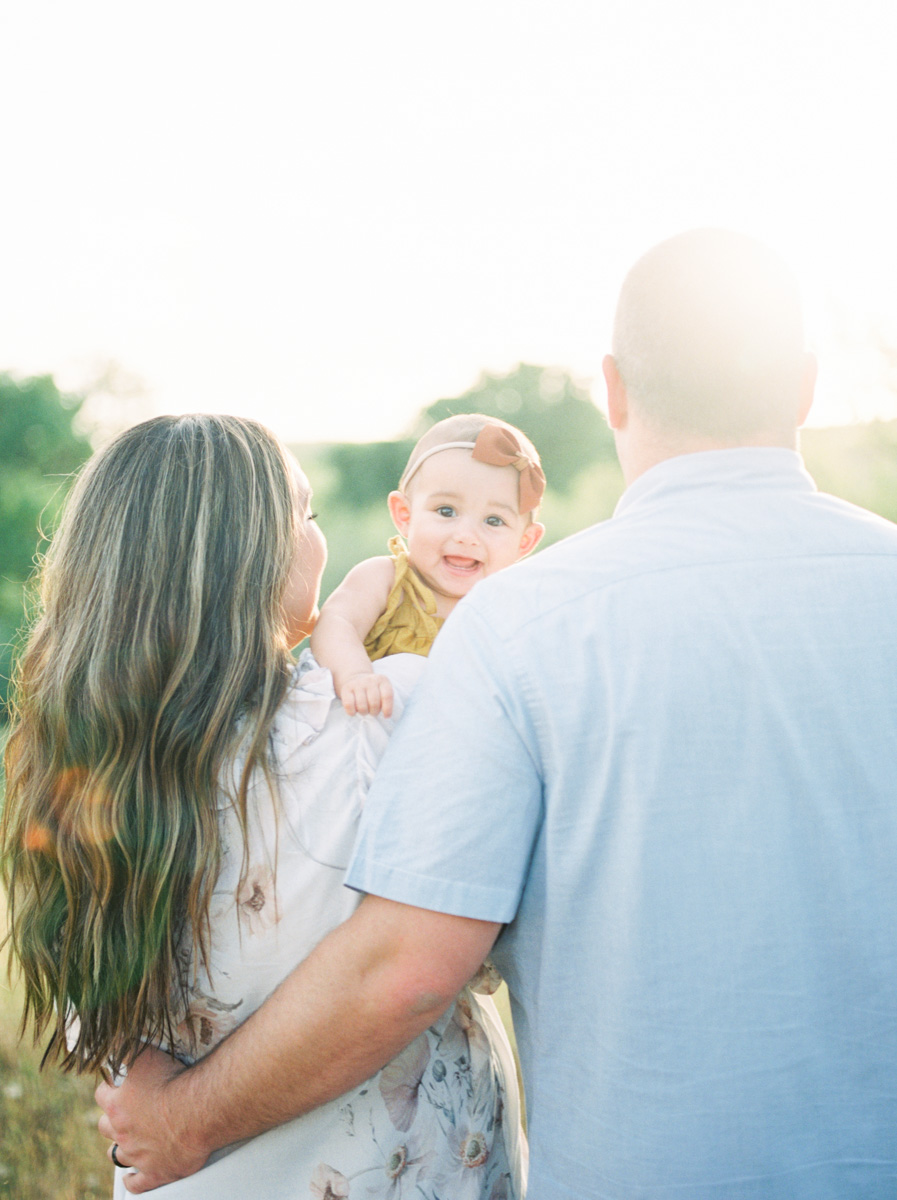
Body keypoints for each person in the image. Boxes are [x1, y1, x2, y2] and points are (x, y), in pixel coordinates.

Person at [98, 229, 897, 1199]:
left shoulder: (524, 627)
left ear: (612, 388)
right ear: (808, 388)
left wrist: (185, 1123)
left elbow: (410, 968)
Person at [1, 414, 526, 1199]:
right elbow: (462, 951)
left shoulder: (74, 762)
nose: (320, 540)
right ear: (250, 556)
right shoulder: (384, 720)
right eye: (306, 515)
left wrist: (171, 1108)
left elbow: (96, 1012)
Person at [311, 412, 545, 717]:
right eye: (446, 511)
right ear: (404, 515)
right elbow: (336, 623)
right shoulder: (385, 579)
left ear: (524, 542)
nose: (466, 536)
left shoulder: (510, 613)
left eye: (494, 520)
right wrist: (355, 675)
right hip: (363, 735)